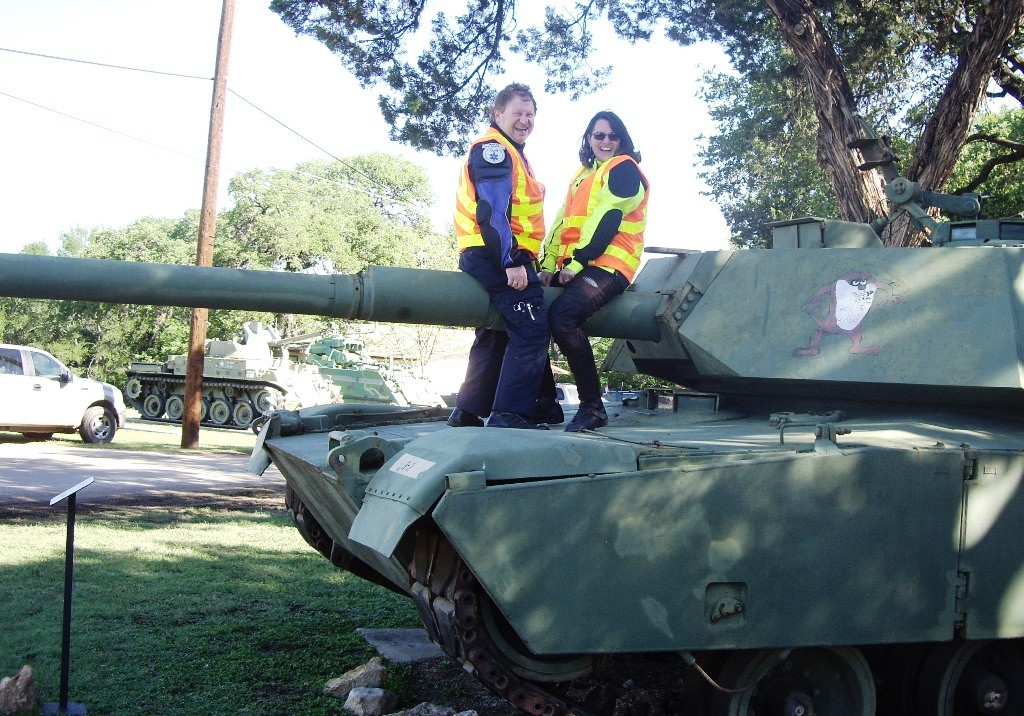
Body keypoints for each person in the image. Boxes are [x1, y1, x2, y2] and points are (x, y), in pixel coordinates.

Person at [448, 83, 553, 430]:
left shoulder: (513, 152)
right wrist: (513, 261)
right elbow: (492, 211)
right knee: (532, 329)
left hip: (488, 251)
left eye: (529, 114)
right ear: (498, 114)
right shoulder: (494, 149)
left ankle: (468, 410)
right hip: (495, 253)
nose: (524, 120)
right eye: (517, 113)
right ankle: (510, 414)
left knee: (495, 329)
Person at [539, 110, 649, 432]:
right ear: (589, 139)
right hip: (579, 263)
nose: (605, 141)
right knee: (531, 312)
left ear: (621, 140)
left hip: (611, 265)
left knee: (563, 317)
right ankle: (544, 404)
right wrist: (548, 265)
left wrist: (577, 263)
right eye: (599, 135)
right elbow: (561, 224)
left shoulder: (624, 169)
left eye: (612, 135)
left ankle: (592, 407)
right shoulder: (583, 175)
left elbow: (607, 220)